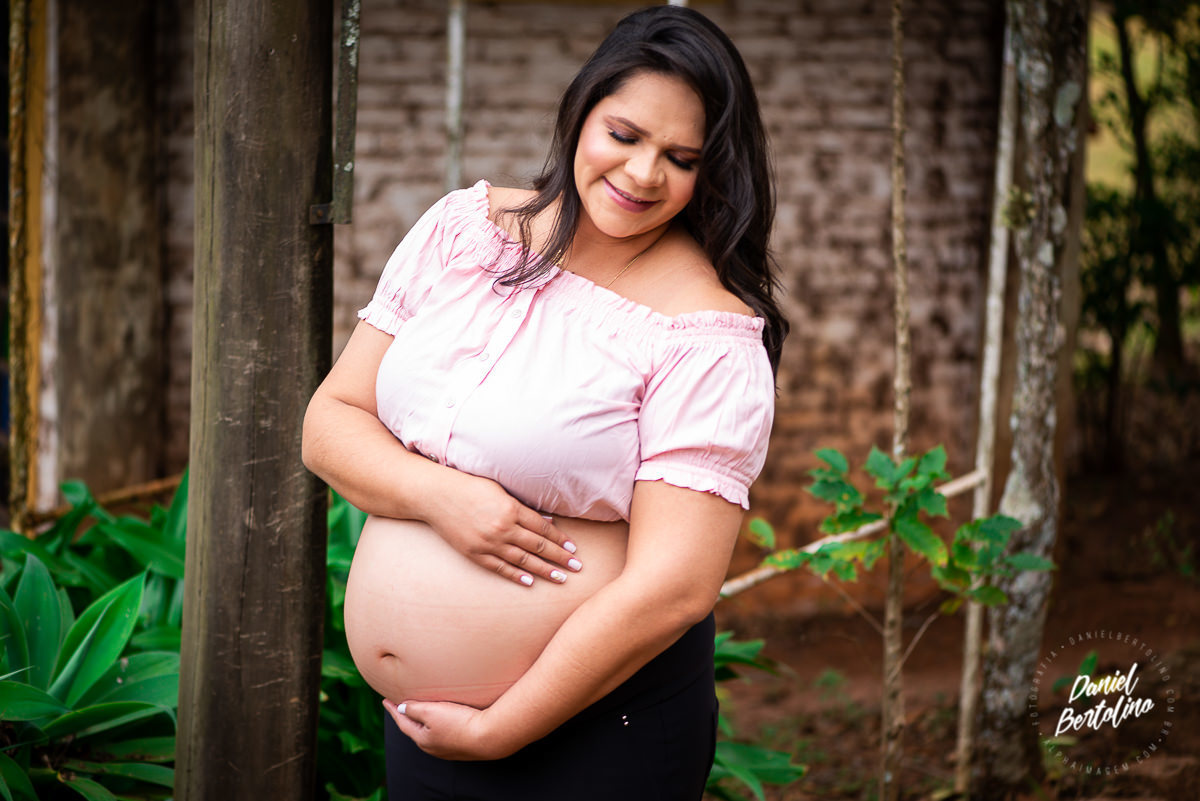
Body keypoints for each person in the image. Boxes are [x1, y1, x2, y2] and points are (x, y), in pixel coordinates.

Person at [302, 5, 788, 799]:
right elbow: (330, 422)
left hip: (593, 735)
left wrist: (501, 729)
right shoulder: (464, 232)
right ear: (582, 111)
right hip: (422, 728)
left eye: (681, 158)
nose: (643, 173)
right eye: (624, 134)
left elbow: (675, 586)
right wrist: (442, 496)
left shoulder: (704, 335)